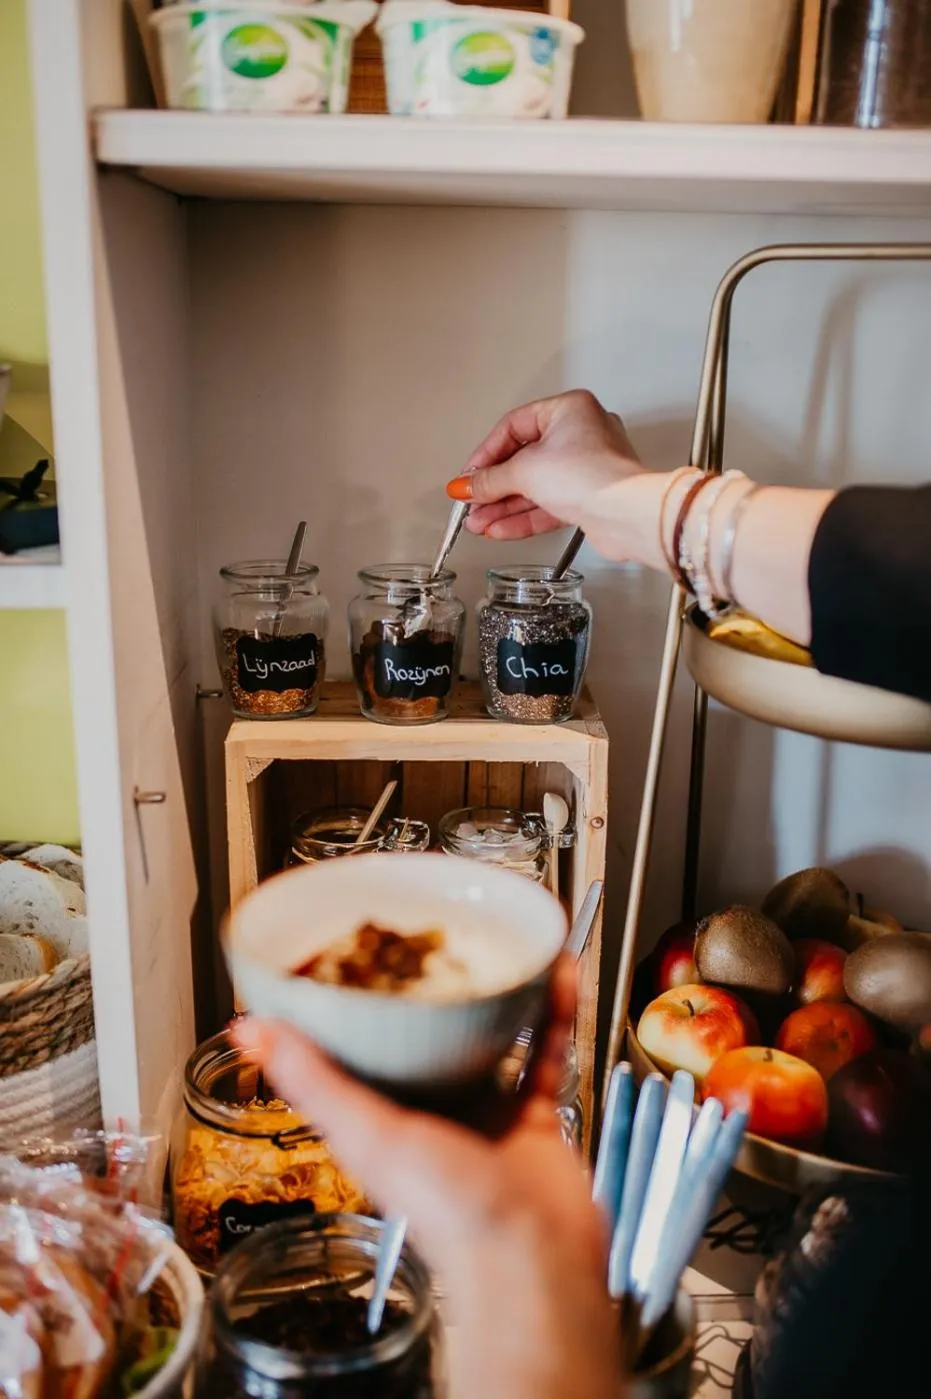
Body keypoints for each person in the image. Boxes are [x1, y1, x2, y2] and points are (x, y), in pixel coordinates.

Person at [235, 389, 931, 1399]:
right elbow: (901, 576)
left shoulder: (872, 1315)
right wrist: (646, 506)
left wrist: (502, 1244)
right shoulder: (872, 1304)